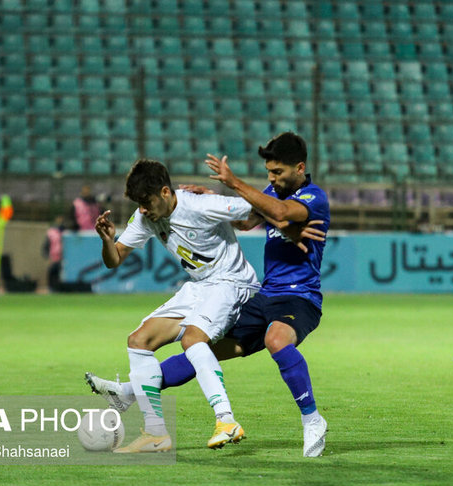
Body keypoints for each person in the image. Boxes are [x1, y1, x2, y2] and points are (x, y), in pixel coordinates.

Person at [89, 132, 331, 457]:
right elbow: (248, 220)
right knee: (200, 353)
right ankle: (131, 395)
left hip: (298, 296)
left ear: (299, 167)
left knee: (270, 340)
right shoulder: (272, 193)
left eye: (277, 172)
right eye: (269, 172)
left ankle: (311, 419)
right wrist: (211, 200)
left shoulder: (314, 197)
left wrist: (232, 184)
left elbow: (282, 212)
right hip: (263, 296)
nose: (271, 178)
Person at [86, 159, 261, 453]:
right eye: (138, 203)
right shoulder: (145, 218)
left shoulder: (199, 206)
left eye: (146, 202)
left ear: (165, 192)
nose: (142, 209)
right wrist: (107, 239)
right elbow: (114, 259)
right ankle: (155, 433)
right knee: (138, 340)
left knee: (193, 338)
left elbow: (257, 208)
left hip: (233, 283)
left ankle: (226, 420)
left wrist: (284, 218)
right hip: (200, 287)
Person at [42, 215, 65, 291]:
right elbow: (46, 244)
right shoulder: (51, 232)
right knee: (52, 273)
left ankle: (60, 289)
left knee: (61, 274)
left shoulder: (65, 231)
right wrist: (47, 255)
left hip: (64, 257)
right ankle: (51, 288)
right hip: (54, 257)